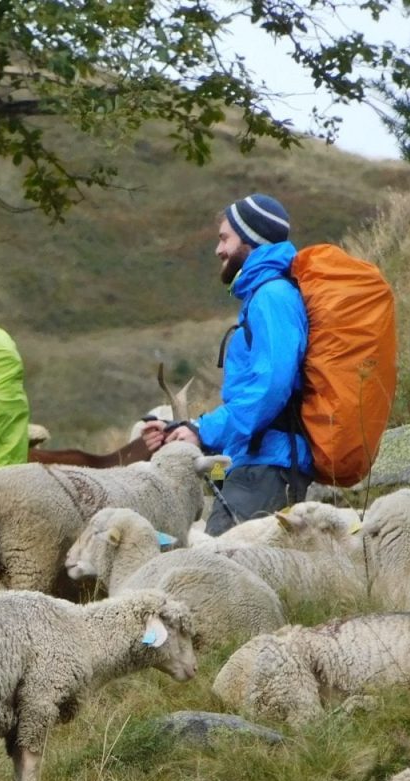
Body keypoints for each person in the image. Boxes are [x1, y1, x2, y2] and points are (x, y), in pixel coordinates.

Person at [141, 193, 311, 533]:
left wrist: (204, 429)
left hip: (266, 470)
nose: (218, 250)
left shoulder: (272, 297)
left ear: (251, 239)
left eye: (224, 238)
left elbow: (271, 388)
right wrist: (186, 431)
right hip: (254, 464)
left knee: (220, 571)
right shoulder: (262, 296)